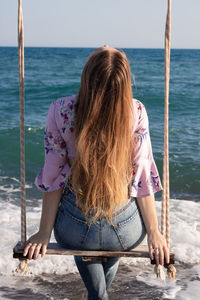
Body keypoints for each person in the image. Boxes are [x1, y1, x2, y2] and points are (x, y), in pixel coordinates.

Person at [23, 46, 169, 300]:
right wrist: (154, 231)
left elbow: (53, 177)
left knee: (90, 248)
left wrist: (44, 231)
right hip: (126, 231)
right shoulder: (136, 111)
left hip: (77, 229)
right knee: (108, 248)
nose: (104, 44)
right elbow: (141, 176)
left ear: (87, 76)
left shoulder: (60, 110)